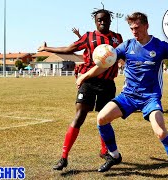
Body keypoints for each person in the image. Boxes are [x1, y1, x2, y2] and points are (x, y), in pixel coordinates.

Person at [76, 12, 168, 180]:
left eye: (137, 27)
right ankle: (114, 155)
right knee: (102, 118)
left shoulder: (160, 46)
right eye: (131, 28)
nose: (134, 31)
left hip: (150, 97)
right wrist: (85, 76)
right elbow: (104, 64)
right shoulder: (126, 46)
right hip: (128, 96)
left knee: (160, 131)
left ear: (146, 26)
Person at [38, 8, 123, 170]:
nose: (102, 22)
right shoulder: (88, 37)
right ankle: (64, 157)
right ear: (95, 21)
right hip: (88, 82)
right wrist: (46, 49)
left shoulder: (117, 38)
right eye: (99, 20)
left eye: (105, 19)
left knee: (105, 119)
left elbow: (122, 56)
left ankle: (106, 152)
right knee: (79, 116)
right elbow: (69, 49)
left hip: (108, 84)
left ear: (110, 21)